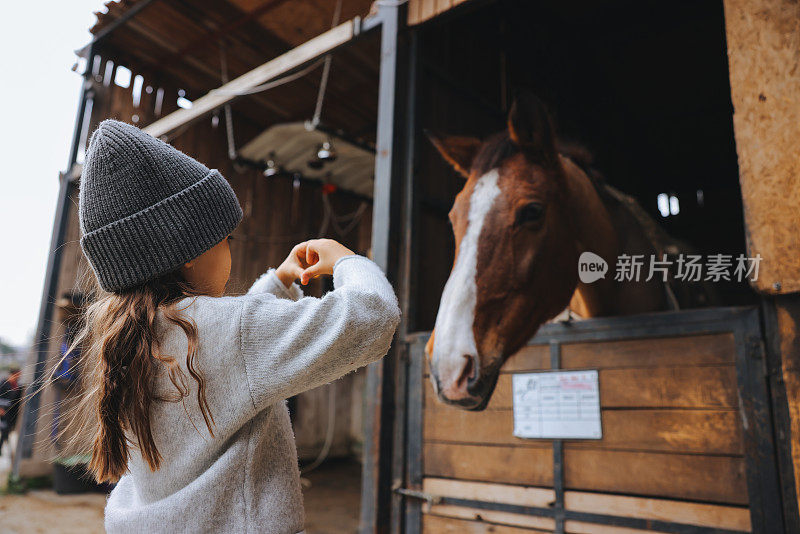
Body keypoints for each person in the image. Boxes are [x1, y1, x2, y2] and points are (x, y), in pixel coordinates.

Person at [65, 120, 401, 533]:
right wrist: (349, 259)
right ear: (187, 247)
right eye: (227, 239)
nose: (230, 250)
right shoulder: (227, 333)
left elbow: (234, 345)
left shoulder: (129, 337)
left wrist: (279, 283)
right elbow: (372, 318)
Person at [0, 365, 22, 456]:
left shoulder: (17, 385)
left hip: (11, 412)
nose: (19, 376)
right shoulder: (4, 384)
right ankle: (3, 449)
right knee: (5, 429)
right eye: (18, 374)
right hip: (3, 411)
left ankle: (6, 449)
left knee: (7, 430)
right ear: (13, 374)